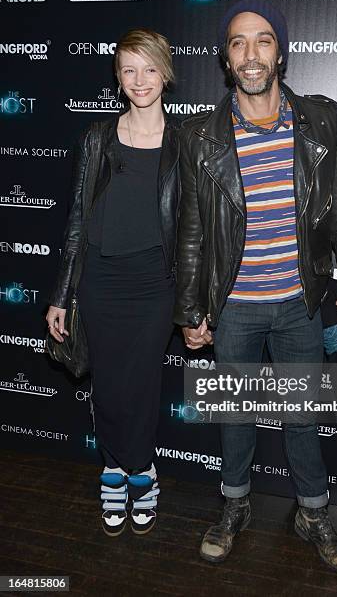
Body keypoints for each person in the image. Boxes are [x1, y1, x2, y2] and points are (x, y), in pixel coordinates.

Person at [174, 0, 337, 574]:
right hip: (233, 306)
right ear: (226, 57)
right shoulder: (200, 136)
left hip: (299, 301)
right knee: (236, 413)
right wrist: (191, 307)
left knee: (302, 413)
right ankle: (234, 506)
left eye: (262, 41)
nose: (251, 54)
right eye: (238, 43)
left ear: (279, 52)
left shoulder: (319, 120)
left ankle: (312, 511)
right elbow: (191, 230)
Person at [46, 28, 180, 537]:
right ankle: (112, 469)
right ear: (118, 79)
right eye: (128, 69)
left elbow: (193, 229)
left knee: (140, 384)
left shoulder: (184, 141)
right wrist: (62, 295)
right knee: (106, 384)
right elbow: (77, 221)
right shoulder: (97, 139)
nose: (139, 79)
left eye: (148, 68)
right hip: (99, 281)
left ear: (165, 72)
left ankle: (141, 468)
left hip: (153, 284)